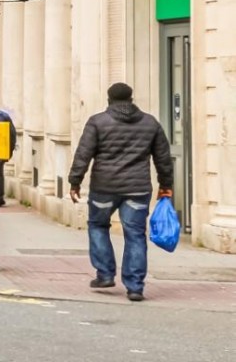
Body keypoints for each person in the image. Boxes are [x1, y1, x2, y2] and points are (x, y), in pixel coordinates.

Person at [68, 83, 174, 302]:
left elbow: (83, 154)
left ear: (109, 99)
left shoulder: (98, 122)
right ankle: (135, 286)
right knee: (135, 234)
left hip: (104, 187)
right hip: (138, 188)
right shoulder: (150, 122)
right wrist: (166, 185)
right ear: (131, 98)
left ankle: (105, 274)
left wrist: (75, 181)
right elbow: (163, 158)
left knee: (98, 226)